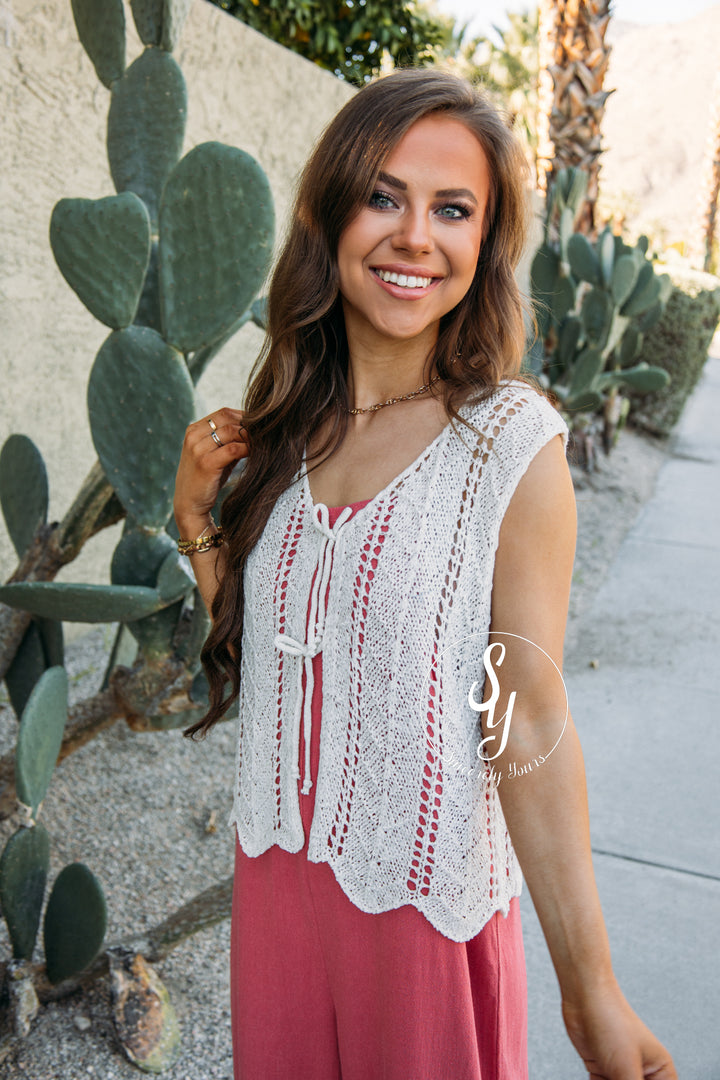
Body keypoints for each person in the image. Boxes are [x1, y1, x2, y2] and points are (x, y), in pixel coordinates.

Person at [173, 69, 677, 1080]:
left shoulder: (509, 445)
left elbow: (525, 716)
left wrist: (592, 993)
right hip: (275, 898)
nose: (415, 237)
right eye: (384, 196)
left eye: (454, 210)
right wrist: (198, 528)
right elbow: (288, 660)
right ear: (332, 213)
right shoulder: (291, 428)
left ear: (484, 246)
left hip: (418, 919)